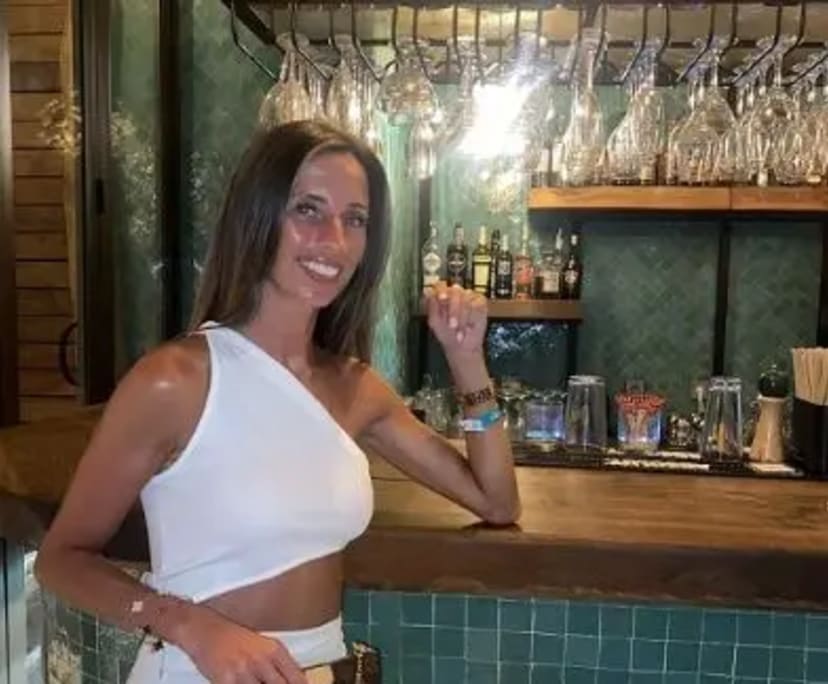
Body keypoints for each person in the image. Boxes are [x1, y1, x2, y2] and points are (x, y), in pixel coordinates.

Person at [34, 120, 520, 683]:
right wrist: (190, 625)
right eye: (307, 210)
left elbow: (496, 502)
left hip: (319, 670)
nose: (334, 240)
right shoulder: (176, 381)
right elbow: (60, 559)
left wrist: (466, 360)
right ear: (258, 216)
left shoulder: (355, 387)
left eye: (355, 219)